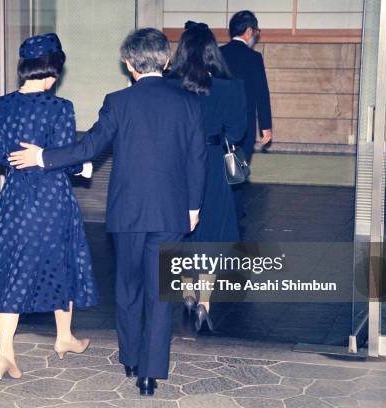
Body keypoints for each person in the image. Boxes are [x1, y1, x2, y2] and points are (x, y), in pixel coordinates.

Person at [8, 28, 207, 396]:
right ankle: (149, 374)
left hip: (127, 213)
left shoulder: (118, 102)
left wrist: (43, 156)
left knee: (128, 286)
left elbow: (90, 147)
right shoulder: (189, 102)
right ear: (166, 61)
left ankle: (130, 357)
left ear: (129, 64)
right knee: (162, 293)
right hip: (171, 212)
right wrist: (193, 207)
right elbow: (198, 159)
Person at [0, 33, 98, 381]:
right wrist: (82, 166)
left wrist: (25, 158)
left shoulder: (1, 105)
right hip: (53, 199)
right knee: (63, 264)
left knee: (13, 270)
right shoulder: (60, 108)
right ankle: (63, 336)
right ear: (52, 72)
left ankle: (6, 352)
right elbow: (65, 157)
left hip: (16, 198)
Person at [167, 21, 247, 332]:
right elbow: (238, 133)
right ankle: (204, 301)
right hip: (213, 163)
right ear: (212, 51)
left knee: (184, 229)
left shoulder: (170, 86)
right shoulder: (229, 87)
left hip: (178, 165)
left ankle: (186, 292)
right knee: (211, 231)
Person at [220, 10, 272, 220]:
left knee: (220, 168)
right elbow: (262, 93)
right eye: (256, 32)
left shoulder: (218, 53)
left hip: (219, 125)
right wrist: (266, 126)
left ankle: (224, 208)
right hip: (244, 125)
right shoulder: (254, 57)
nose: (256, 36)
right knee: (238, 169)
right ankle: (234, 210)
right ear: (249, 31)